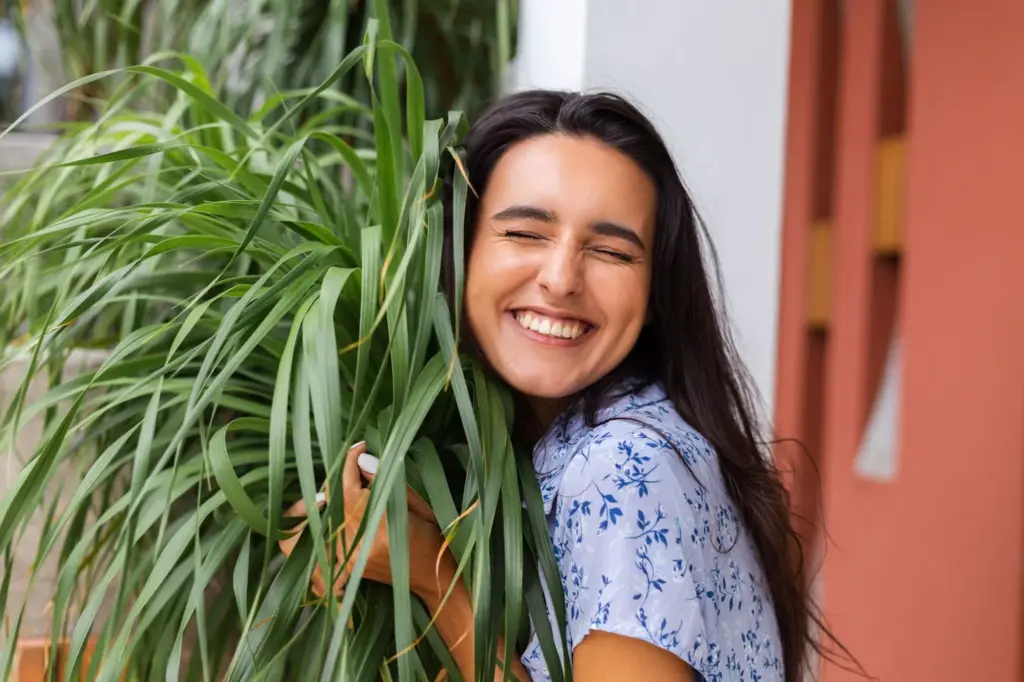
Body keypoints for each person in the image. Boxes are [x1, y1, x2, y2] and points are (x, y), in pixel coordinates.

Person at [282, 90, 845, 681]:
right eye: (525, 234)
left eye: (609, 251)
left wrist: (428, 574)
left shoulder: (626, 466)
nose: (560, 280)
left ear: (655, 294)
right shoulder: (529, 452)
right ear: (459, 251)